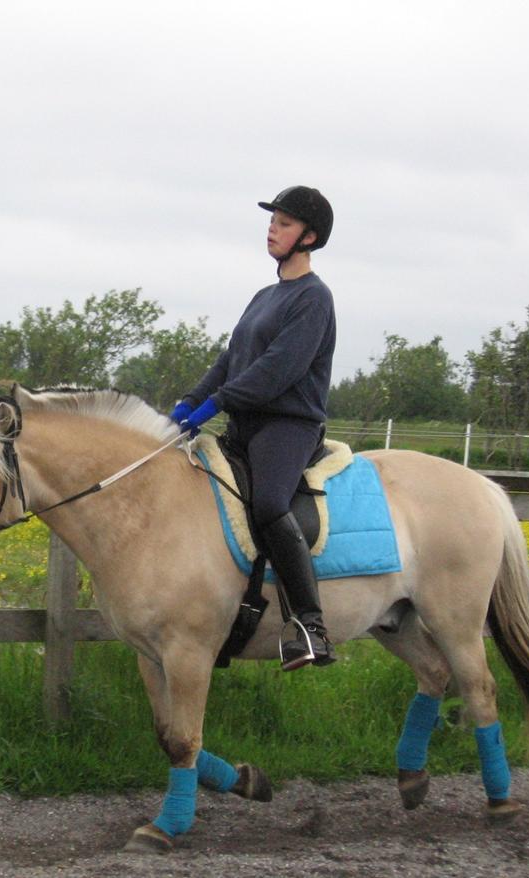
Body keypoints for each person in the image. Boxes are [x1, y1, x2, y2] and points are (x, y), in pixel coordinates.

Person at [170, 185, 337, 670]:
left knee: (266, 504)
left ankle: (311, 626)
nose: (272, 229)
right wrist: (189, 402)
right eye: (272, 221)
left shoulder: (314, 298)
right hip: (245, 423)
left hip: (288, 425)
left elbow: (277, 369)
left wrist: (215, 406)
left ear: (308, 237)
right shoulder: (265, 296)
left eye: (283, 223)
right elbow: (232, 359)